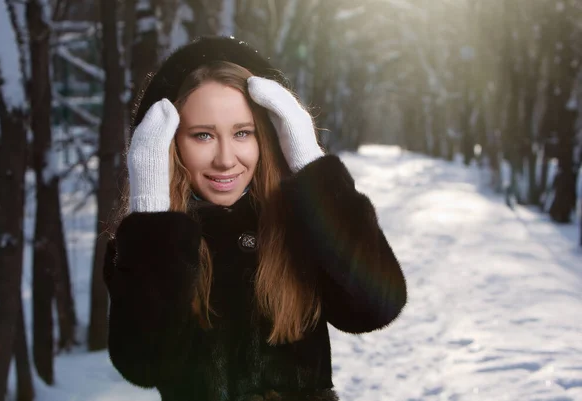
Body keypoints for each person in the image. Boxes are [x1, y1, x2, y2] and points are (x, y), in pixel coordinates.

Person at [103, 36, 407, 401]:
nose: (226, 159)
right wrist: (152, 213)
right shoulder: (144, 250)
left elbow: (375, 306)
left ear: (265, 136)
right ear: (172, 142)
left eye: (242, 133)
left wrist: (311, 165)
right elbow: (143, 363)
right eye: (202, 135)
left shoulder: (300, 223)